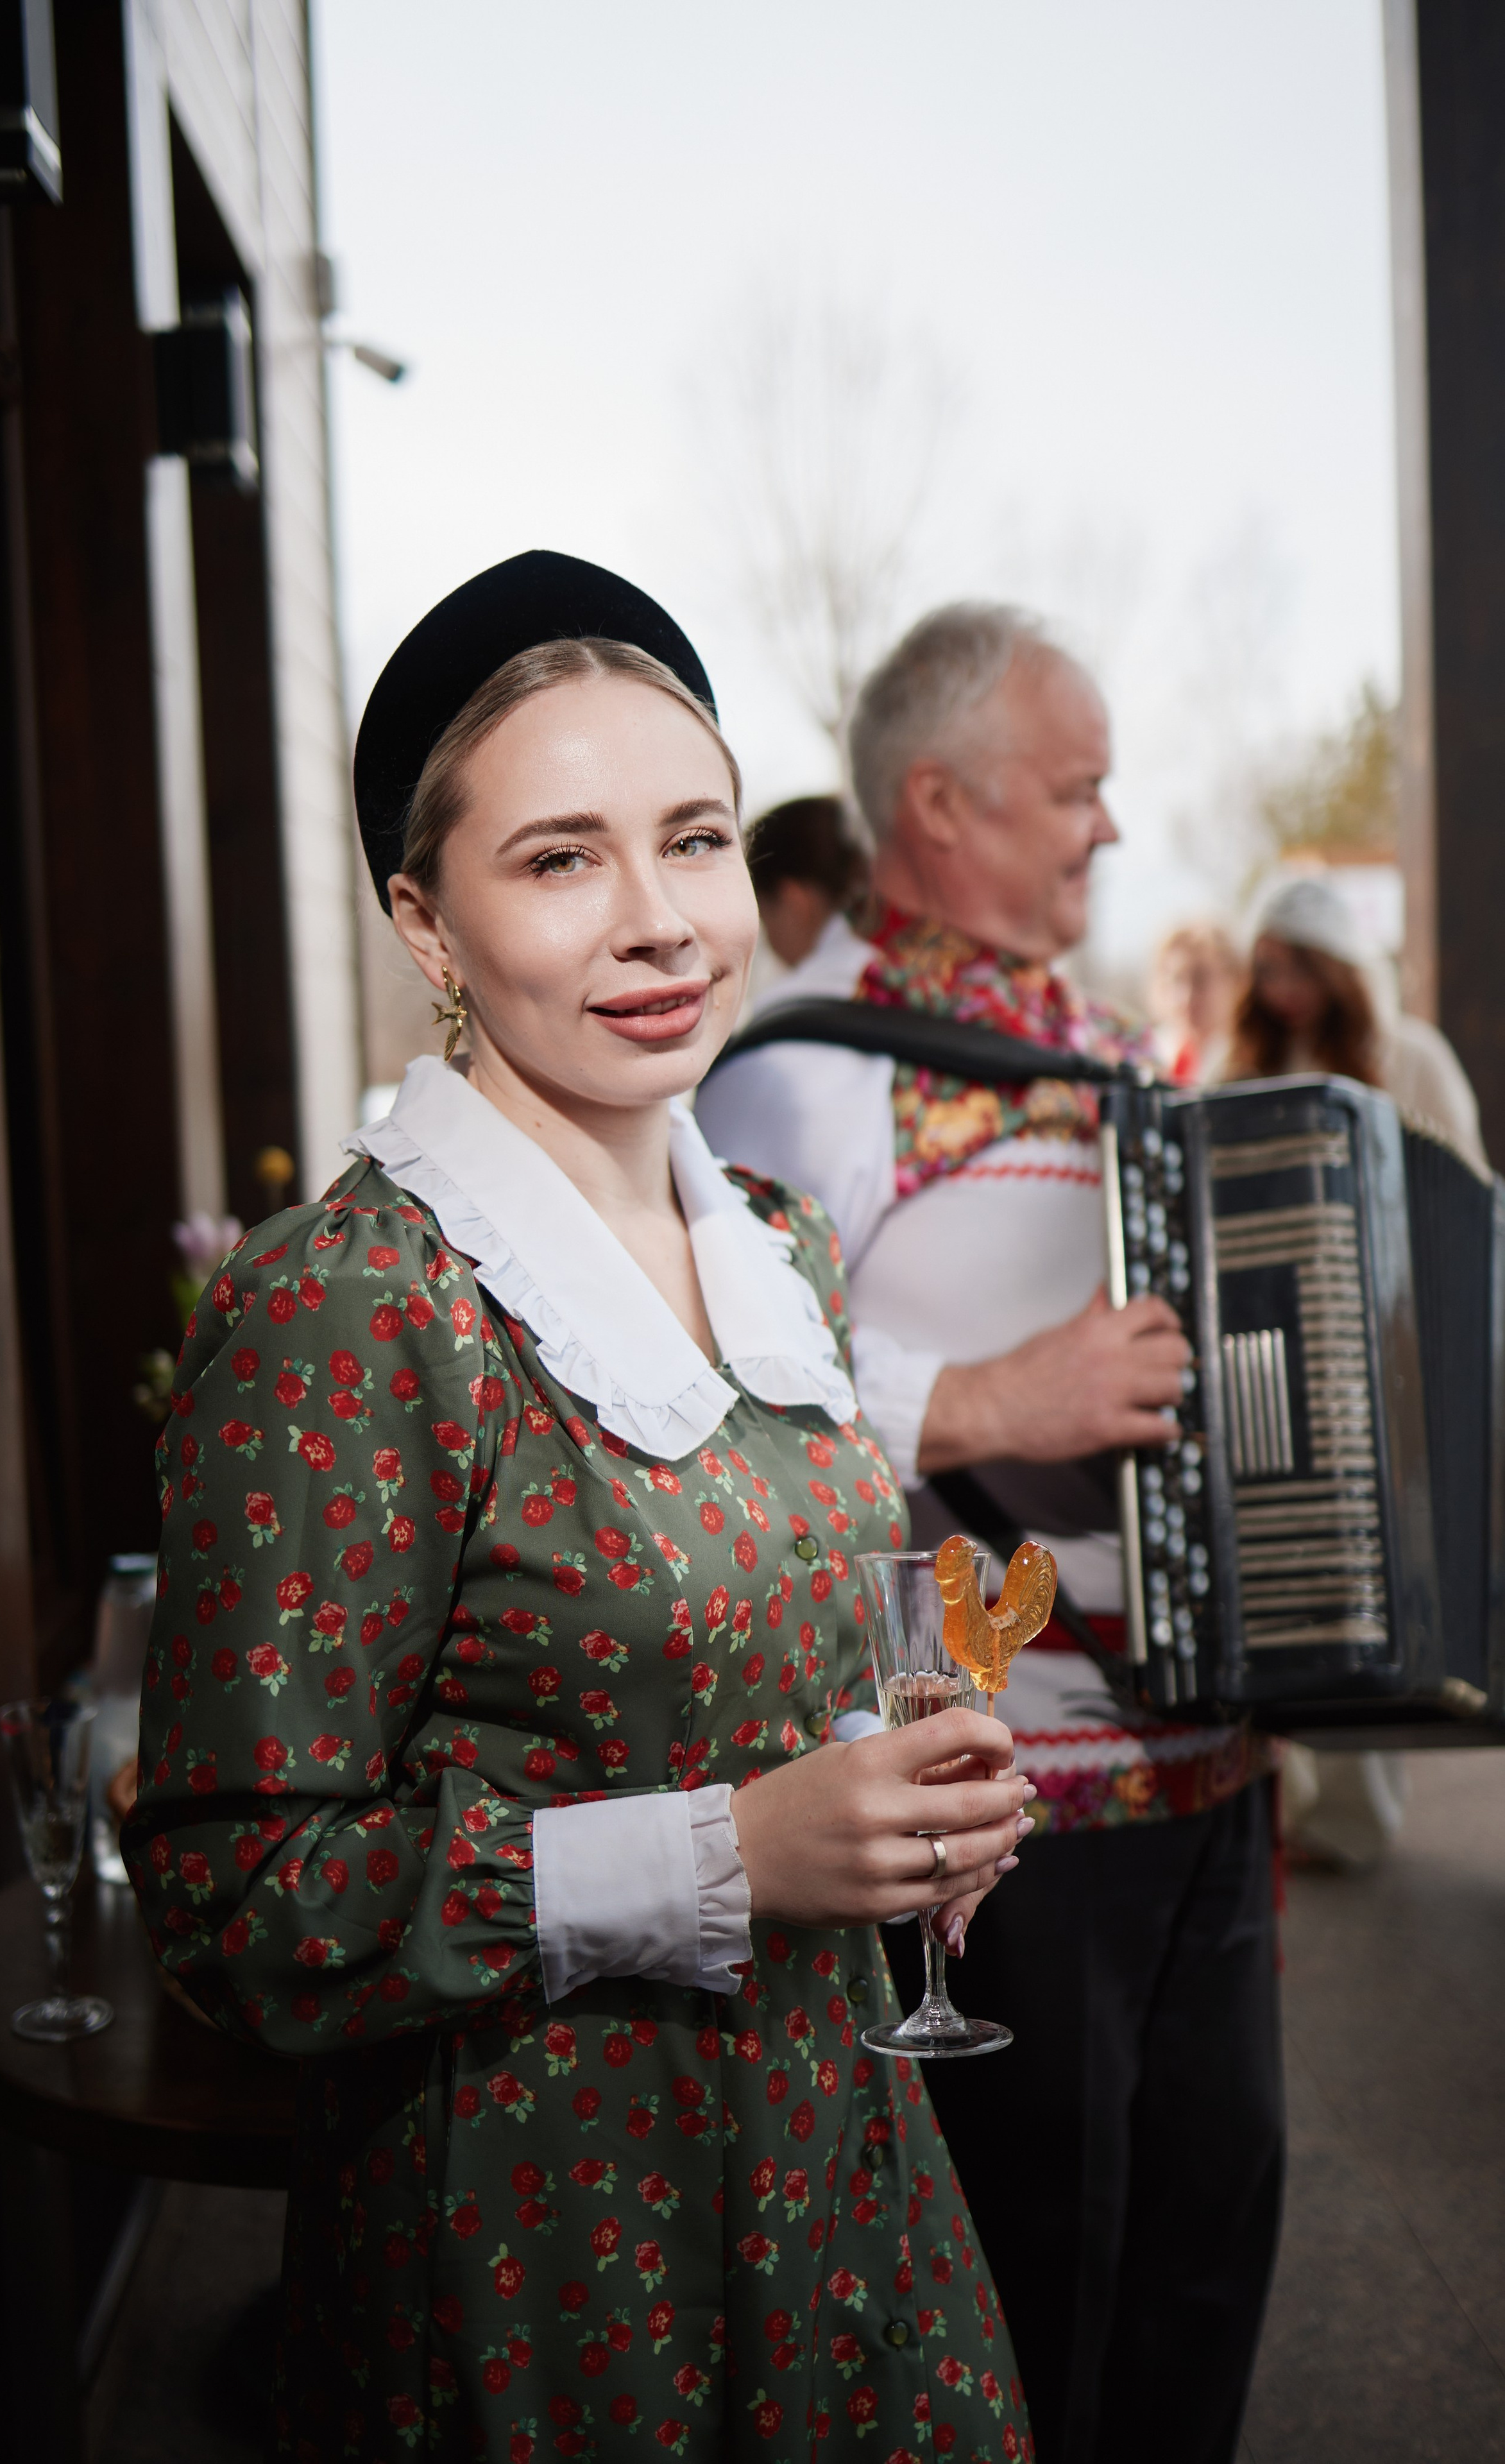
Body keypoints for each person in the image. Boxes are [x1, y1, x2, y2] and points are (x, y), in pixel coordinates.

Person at [124, 552, 1037, 2462]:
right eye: (558, 858)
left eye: (693, 839)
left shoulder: (769, 1241)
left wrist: (898, 1798)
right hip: (539, 2238)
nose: (660, 922)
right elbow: (236, 1905)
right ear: (425, 921)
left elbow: (758, 1700)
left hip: (842, 2164)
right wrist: (729, 1852)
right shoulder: (353, 1305)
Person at [697, 603, 1282, 2464]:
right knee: (1039, 2288)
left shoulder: (1099, 1051)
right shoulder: (806, 1070)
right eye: (1075, 790)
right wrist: (981, 1404)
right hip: (1005, 1809)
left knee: (1207, 2253)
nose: (1108, 829)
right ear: (936, 805)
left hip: (1209, 1767)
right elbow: (733, 1397)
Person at [1226, 872, 1487, 1869]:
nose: (1279, 985)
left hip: (1385, 1361)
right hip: (1275, 1359)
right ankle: (1275, 1798)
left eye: (1295, 965)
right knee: (1277, 1579)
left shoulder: (1408, 1057)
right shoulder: (1242, 1061)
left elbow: (1464, 1182)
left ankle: (1352, 1813)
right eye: (1266, 966)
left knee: (1371, 1587)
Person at [1229, 873, 1486, 1168]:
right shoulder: (1236, 1065)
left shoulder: (1415, 1058)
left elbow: (1469, 1176)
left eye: (1302, 968)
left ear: (1337, 968)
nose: (1285, 988)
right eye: (1269, 970)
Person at [746, 792, 869, 968]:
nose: (769, 944)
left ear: (795, 901)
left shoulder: (802, 992)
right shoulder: (904, 967)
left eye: (766, 922)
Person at [1147, 920, 1244, 1086]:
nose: (1187, 997)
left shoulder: (1251, 1056)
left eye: (1201, 978)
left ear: (1235, 981)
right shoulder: (1150, 1054)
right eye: (1177, 979)